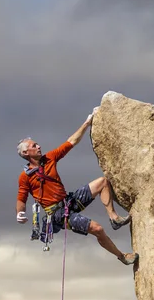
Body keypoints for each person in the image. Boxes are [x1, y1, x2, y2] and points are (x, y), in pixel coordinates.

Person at [15, 108, 139, 265]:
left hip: (68, 201)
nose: (39, 146)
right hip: (58, 213)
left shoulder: (49, 158)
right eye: (34, 145)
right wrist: (20, 213)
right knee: (98, 229)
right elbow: (22, 197)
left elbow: (71, 141)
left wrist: (87, 123)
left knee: (102, 182)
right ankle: (122, 256)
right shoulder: (25, 177)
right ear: (26, 153)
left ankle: (114, 218)